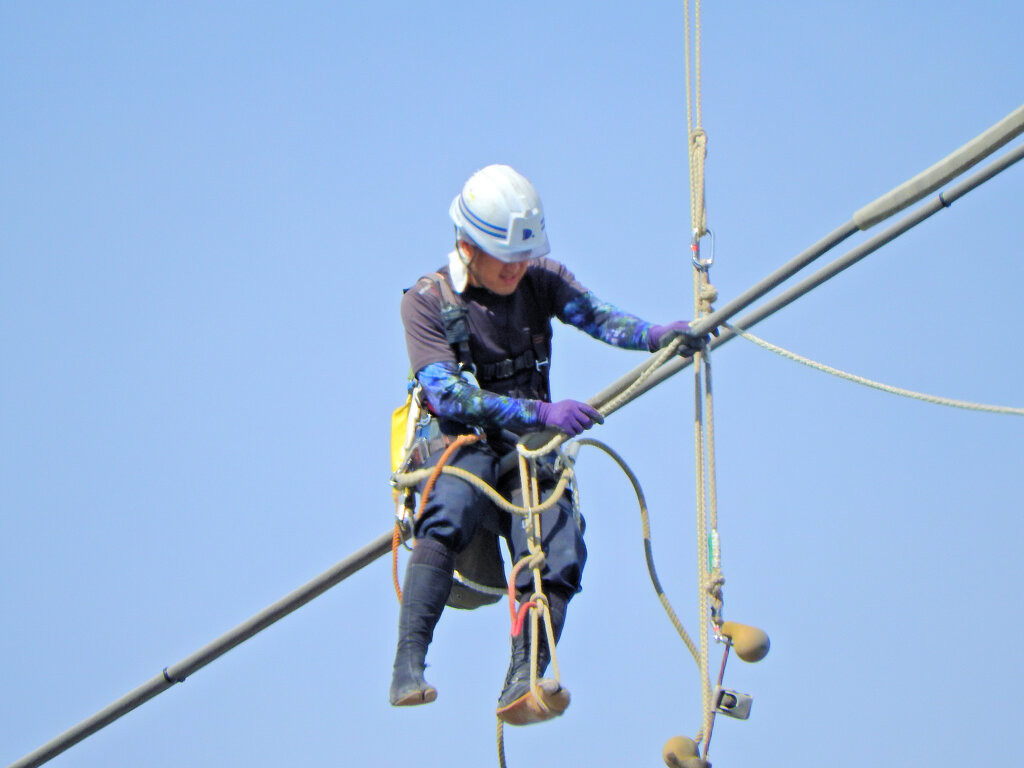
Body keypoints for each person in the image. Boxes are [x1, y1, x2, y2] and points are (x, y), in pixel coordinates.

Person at [391, 164, 703, 725]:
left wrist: (654, 336)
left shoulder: (540, 278)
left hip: (526, 447)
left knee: (558, 545)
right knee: (450, 509)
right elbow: (448, 394)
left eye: (523, 256)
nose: (517, 268)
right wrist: (540, 411)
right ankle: (409, 663)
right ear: (468, 245)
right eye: (504, 257)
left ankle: (524, 677)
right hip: (462, 439)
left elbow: (598, 317)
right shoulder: (426, 301)